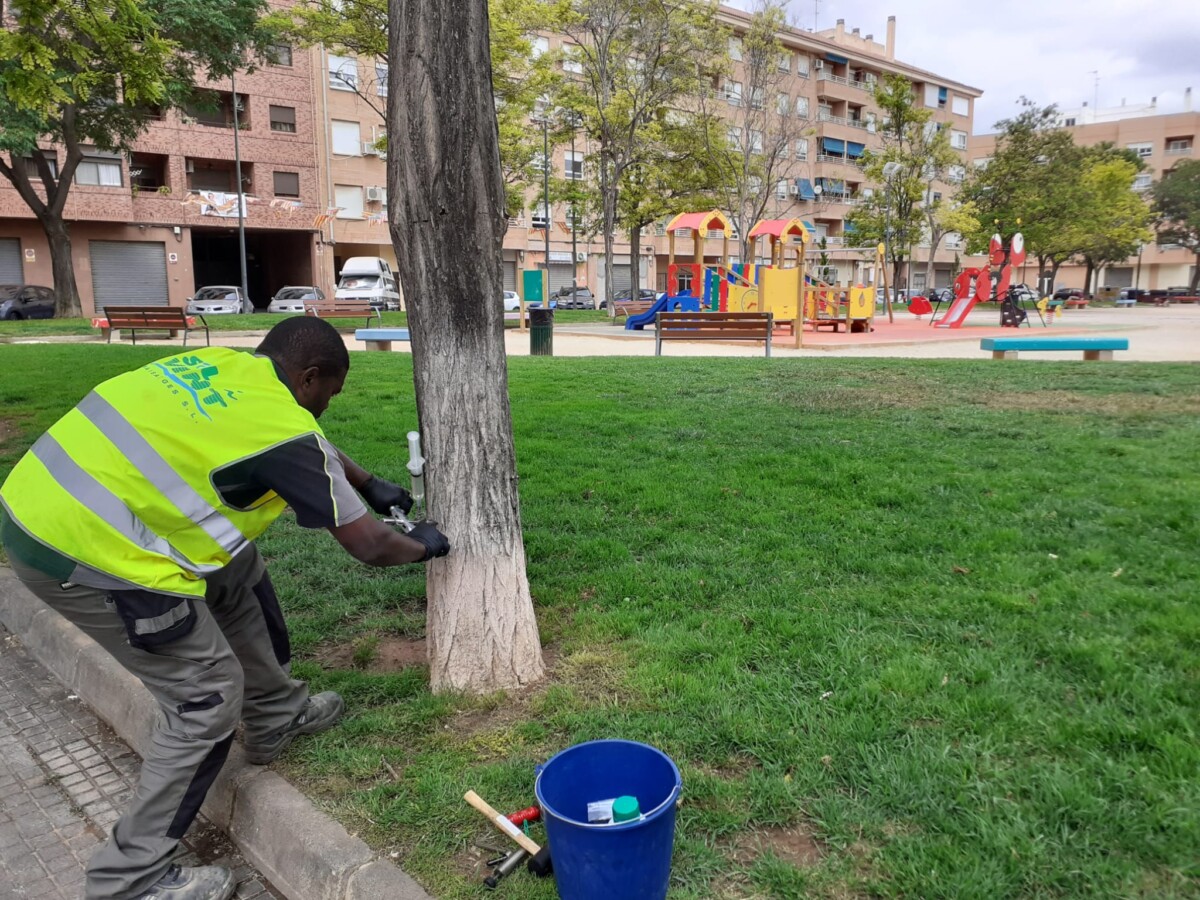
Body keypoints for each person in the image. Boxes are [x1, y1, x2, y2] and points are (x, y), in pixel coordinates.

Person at [0, 317, 449, 900]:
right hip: (84, 549)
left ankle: (276, 715)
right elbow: (370, 544)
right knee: (206, 696)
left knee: (236, 566)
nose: (325, 409)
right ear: (310, 377)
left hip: (39, 501)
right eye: (329, 395)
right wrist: (426, 545)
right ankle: (127, 880)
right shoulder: (284, 427)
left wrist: (365, 481)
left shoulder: (228, 367)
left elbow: (296, 435)